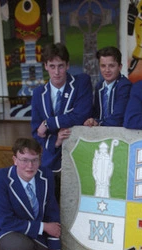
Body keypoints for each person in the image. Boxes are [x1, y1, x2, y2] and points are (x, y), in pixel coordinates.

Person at [0, 137, 66, 250]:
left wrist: (54, 248)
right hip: (7, 231)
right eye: (24, 160)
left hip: (34, 234)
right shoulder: (0, 179)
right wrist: (42, 227)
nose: (30, 166)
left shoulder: (45, 175)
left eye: (34, 160)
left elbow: (52, 213)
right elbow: (5, 221)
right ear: (14, 159)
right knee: (20, 247)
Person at [31, 43, 93, 175]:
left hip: (80, 155)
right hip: (50, 160)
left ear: (67, 65)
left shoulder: (81, 83)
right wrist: (56, 141)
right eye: (52, 66)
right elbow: (36, 132)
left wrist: (48, 123)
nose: (56, 72)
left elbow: (81, 115)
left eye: (60, 66)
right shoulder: (38, 93)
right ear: (46, 66)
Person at [84, 46, 132, 127]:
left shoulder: (125, 86)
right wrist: (91, 121)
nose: (107, 70)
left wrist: (98, 123)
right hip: (101, 133)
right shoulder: (99, 86)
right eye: (103, 66)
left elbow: (118, 118)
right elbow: (96, 113)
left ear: (120, 67)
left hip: (120, 134)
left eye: (111, 66)